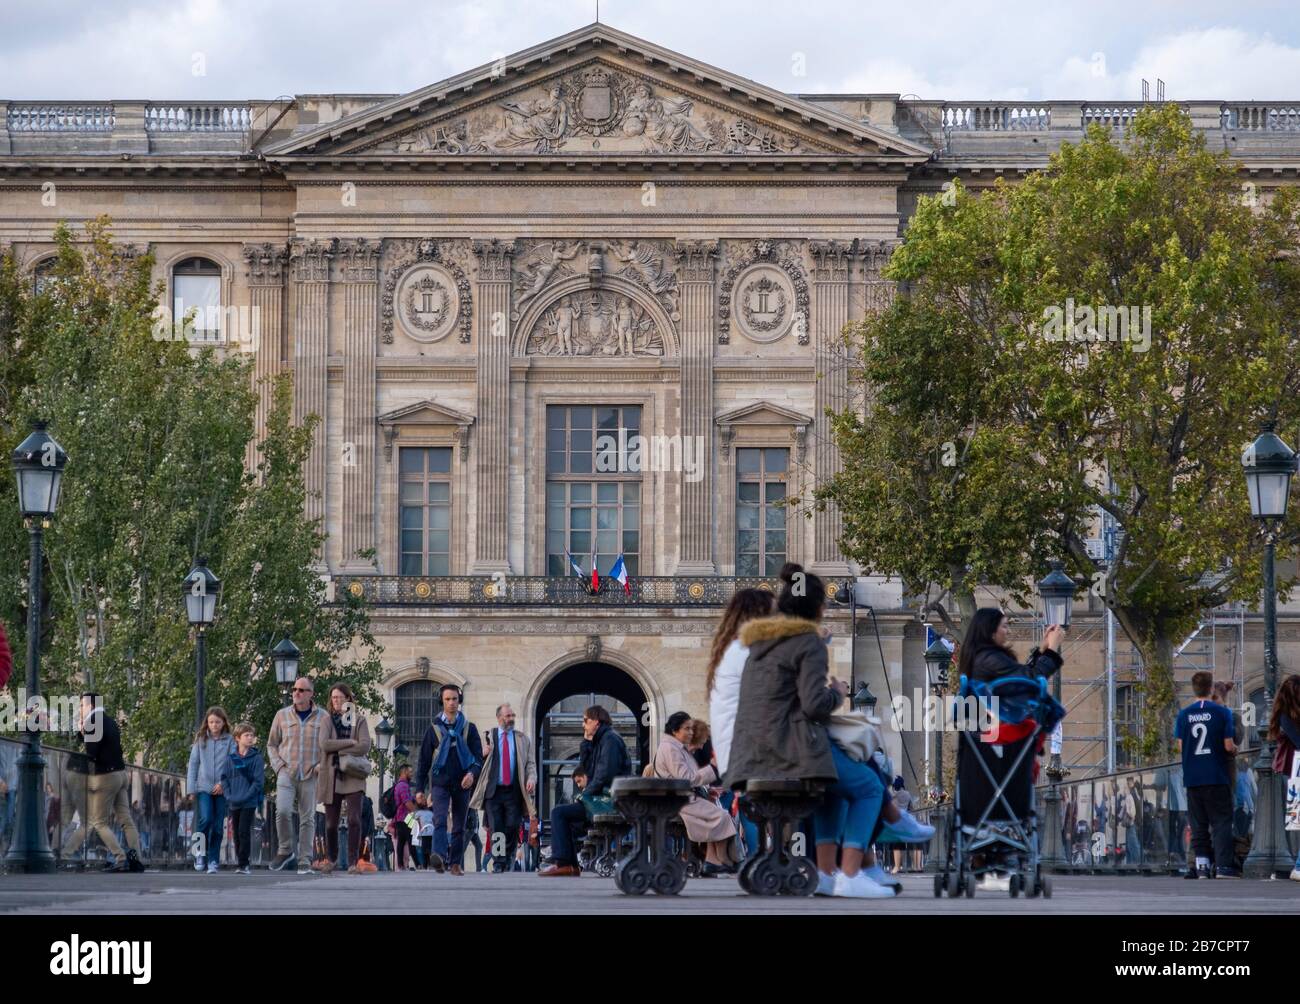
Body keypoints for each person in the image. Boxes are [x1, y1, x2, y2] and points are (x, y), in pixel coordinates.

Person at [727, 563, 893, 898]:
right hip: (789, 752)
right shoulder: (807, 643)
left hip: (751, 755)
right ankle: (851, 874)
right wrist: (839, 692)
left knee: (832, 789)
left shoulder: (760, 644)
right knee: (870, 787)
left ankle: (825, 872)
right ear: (817, 608)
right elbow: (815, 704)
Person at [540, 706, 630, 876]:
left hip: (609, 801)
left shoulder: (610, 739)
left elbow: (605, 774)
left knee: (558, 813)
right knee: (568, 821)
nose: (583, 724)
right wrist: (586, 743)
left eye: (585, 720)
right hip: (604, 798)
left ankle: (563, 863)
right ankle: (571, 865)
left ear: (596, 721)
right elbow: (587, 770)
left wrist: (585, 796)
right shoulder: (601, 740)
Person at [266, 676, 335, 875]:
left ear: (311, 694)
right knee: (283, 811)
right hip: (286, 772)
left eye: (302, 690)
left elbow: (331, 746)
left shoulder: (324, 717)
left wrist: (322, 765)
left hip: (311, 773)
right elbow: (271, 744)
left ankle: (305, 858)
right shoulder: (282, 715)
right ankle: (286, 849)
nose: (296, 692)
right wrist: (278, 766)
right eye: (295, 689)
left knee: (308, 818)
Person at [654, 712, 738, 874]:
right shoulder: (671, 749)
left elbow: (688, 777)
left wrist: (707, 789)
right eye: (687, 729)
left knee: (717, 815)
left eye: (692, 729)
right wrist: (712, 767)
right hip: (679, 801)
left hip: (681, 798)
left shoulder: (676, 747)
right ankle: (720, 859)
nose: (691, 733)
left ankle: (715, 860)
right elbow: (686, 778)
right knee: (721, 816)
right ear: (674, 731)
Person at [70, 694, 145, 872]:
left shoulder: (93, 720)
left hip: (106, 776)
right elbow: (101, 743)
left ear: (91, 705)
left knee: (98, 821)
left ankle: (120, 858)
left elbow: (92, 753)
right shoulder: (109, 720)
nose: (80, 709)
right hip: (120, 774)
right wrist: (84, 734)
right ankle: (136, 859)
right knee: (125, 819)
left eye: (82, 705)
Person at [415, 684, 484, 876]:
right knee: (439, 820)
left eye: (454, 699)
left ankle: (455, 863)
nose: (451, 703)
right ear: (442, 702)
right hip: (440, 782)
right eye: (447, 699)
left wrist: (471, 774)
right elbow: (424, 761)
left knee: (460, 824)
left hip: (463, 782)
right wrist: (419, 788)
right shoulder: (434, 729)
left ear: (459, 701)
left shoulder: (470, 729)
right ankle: (438, 857)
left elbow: (478, 758)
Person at [1175, 670, 1238, 879]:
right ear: (1211, 688)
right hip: (1216, 774)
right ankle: (1223, 867)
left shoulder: (1184, 715)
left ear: (1194, 689)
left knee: (1198, 823)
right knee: (1221, 822)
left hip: (1192, 776)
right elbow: (1228, 745)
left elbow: (1180, 745)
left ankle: (1202, 866)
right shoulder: (1222, 713)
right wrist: (1235, 749)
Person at [470, 702, 538, 874]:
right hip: (493, 791)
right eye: (508, 716)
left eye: (513, 716)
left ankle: (508, 856)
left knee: (513, 826)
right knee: (497, 827)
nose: (511, 719)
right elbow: (474, 761)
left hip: (514, 791)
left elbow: (530, 763)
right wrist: (482, 753)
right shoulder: (488, 737)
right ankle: (499, 862)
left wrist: (531, 778)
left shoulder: (522, 739)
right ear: (499, 718)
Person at [317, 683, 373, 874]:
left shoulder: (359, 720)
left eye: (340, 697)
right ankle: (331, 859)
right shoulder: (326, 721)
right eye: (334, 698)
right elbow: (324, 744)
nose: (337, 701)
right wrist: (350, 742)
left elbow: (364, 746)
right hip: (331, 774)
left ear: (348, 699)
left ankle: (352, 862)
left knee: (354, 819)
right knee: (331, 823)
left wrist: (337, 748)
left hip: (352, 774)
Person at [186, 706, 235, 874]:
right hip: (204, 787)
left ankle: (213, 859)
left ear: (223, 723)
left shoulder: (229, 741)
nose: (214, 725)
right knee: (205, 819)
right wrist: (191, 789)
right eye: (211, 722)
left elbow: (233, 764)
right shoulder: (201, 740)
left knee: (217, 825)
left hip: (222, 789)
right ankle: (199, 854)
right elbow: (193, 764)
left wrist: (223, 784)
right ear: (207, 723)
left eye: (217, 722)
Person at [1266, 673, 1300, 881]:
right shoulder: (1287, 718)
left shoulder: (1285, 716)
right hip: (1294, 773)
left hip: (1292, 772)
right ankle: (1298, 865)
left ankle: (1298, 864)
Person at [226, 722, 265, 876]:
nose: (250, 738)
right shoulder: (231, 758)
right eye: (246, 735)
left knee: (243, 831)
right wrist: (229, 795)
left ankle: (244, 863)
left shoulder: (256, 758)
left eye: (251, 735)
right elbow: (224, 777)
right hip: (234, 801)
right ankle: (240, 862)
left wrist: (247, 796)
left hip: (248, 801)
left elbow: (258, 782)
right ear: (237, 738)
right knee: (235, 832)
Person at [391, 763, 418, 871]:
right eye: (410, 771)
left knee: (402, 841)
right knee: (410, 840)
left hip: (400, 818)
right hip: (405, 818)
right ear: (404, 772)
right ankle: (419, 864)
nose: (411, 774)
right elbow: (407, 802)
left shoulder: (400, 785)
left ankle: (401, 865)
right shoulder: (403, 785)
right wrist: (416, 814)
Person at [413, 792, 435, 869]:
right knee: (427, 850)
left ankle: (427, 864)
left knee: (427, 849)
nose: (423, 799)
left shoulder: (420, 813)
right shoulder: (429, 813)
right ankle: (427, 864)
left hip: (427, 833)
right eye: (420, 797)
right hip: (427, 833)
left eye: (423, 797)